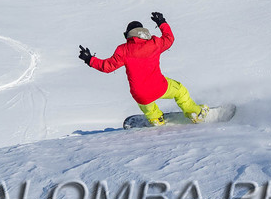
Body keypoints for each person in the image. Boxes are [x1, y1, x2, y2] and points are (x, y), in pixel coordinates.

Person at [79, 11, 208, 126]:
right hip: (159, 86)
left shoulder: (123, 50)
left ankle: (156, 118)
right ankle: (195, 113)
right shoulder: (154, 43)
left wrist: (89, 59)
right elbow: (169, 39)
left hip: (140, 94)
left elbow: (107, 67)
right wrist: (162, 23)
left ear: (127, 35)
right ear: (144, 32)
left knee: (145, 101)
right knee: (180, 91)